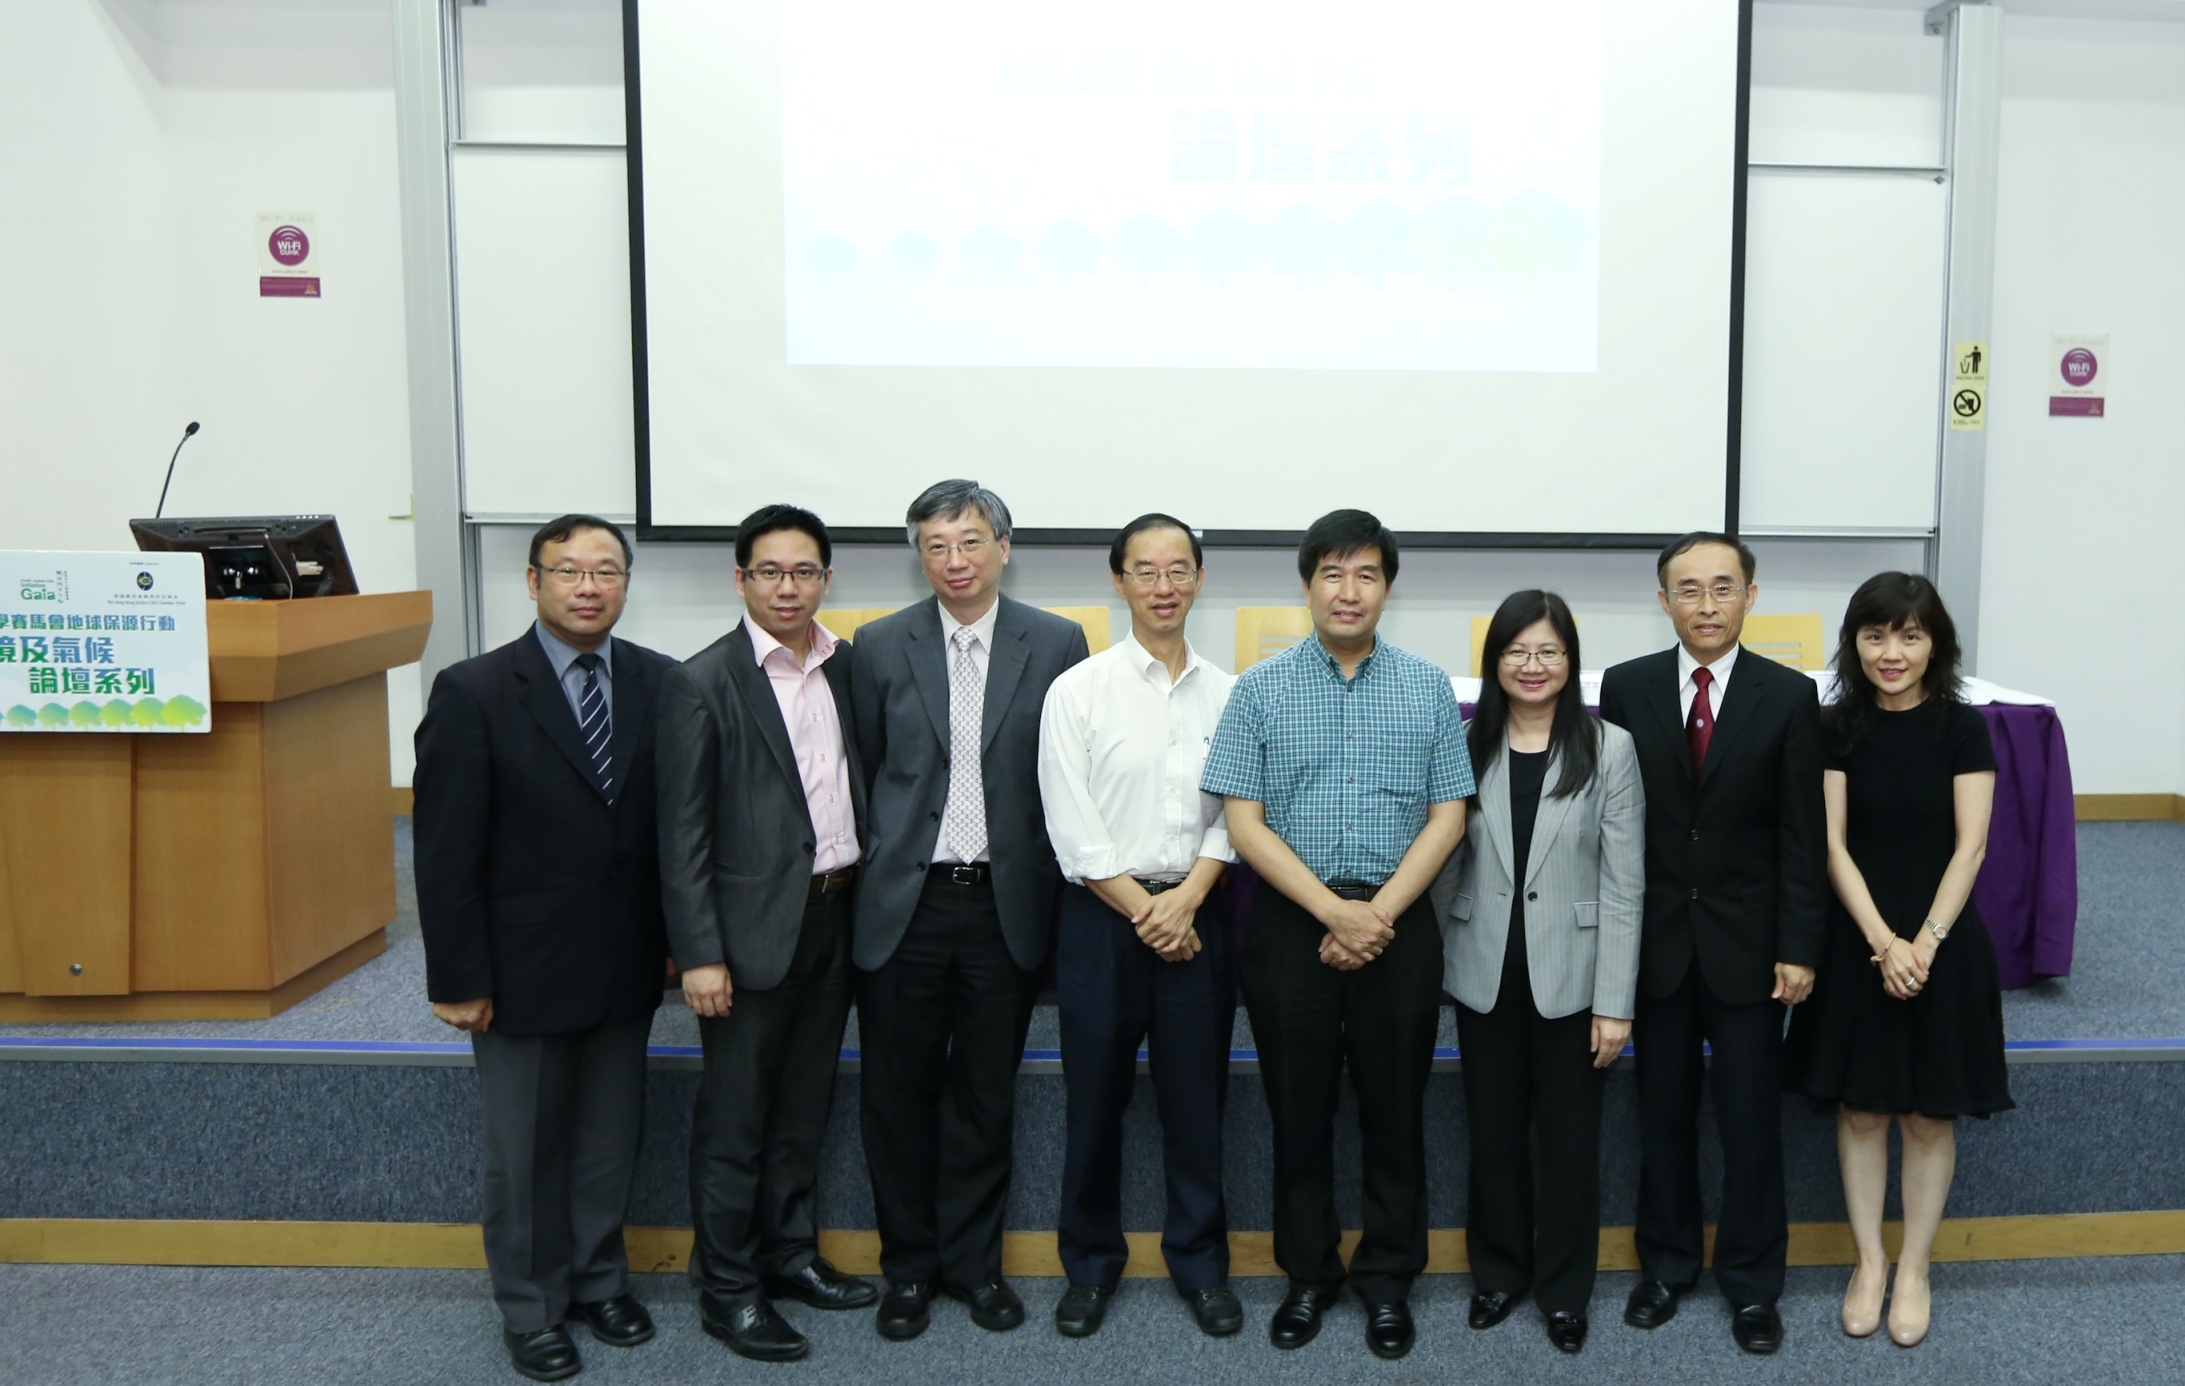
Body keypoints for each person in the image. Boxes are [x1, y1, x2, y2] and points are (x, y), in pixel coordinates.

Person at [1201, 509, 1473, 1361]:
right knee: (1299, 1112)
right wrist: (1332, 912)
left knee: (1395, 1112)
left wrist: (1377, 913)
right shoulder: (1259, 688)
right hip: (1292, 928)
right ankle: (1309, 1277)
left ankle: (1388, 1283)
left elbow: (1448, 816)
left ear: (1386, 587)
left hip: (1397, 924)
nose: (1346, 591)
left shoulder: (1427, 687)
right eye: (1331, 573)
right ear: (1307, 584)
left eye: (1364, 575)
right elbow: (1242, 822)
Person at [414, 514, 675, 1383]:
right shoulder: (475, 689)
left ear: (625, 585)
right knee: (523, 1149)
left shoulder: (659, 681)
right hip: (517, 968)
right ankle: (529, 1306)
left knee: (609, 1136)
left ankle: (600, 1281)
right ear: (532, 583)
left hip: (625, 959)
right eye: (568, 571)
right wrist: (456, 976)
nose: (588, 586)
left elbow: (669, 833)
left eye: (605, 571)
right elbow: (446, 850)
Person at [850, 479, 1090, 1341]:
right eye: (936, 547)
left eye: (970, 542)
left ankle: (974, 1268)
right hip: (905, 906)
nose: (954, 562)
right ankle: (908, 1271)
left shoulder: (1058, 642)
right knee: (897, 1096)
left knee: (986, 1097)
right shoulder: (876, 645)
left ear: (1003, 546)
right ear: (919, 555)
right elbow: (869, 770)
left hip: (1003, 905)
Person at [655, 504, 876, 1362]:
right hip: (744, 939)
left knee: (801, 1110)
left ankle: (789, 1258)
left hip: (834, 918)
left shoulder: (847, 668)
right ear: (740, 579)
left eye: (804, 572)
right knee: (737, 1123)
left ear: (826, 579)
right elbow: (681, 840)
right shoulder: (700, 682)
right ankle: (728, 1289)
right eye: (770, 572)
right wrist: (700, 954)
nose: (788, 587)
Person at [1597, 532, 1826, 1356]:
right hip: (1655, 943)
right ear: (1662, 602)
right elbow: (1613, 828)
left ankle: (1753, 1286)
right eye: (1686, 590)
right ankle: (1664, 1267)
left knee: (1749, 1124)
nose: (1704, 604)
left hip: (1750, 947)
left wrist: (1798, 946)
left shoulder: (1789, 695)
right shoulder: (1625, 689)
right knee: (1660, 1117)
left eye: (1721, 587)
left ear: (1750, 596)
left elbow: (1803, 836)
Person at [1788, 573, 2010, 1347]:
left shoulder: (1961, 728)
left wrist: (1923, 943)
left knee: (1925, 1115)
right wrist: (1883, 941)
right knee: (1861, 1108)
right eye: (1876, 635)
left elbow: (1970, 845)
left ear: (1934, 645)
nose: (1892, 652)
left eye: (1909, 636)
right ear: (1853, 641)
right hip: (1857, 942)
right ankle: (1869, 1262)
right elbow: (1830, 845)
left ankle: (1914, 1266)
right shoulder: (1833, 726)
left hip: (1941, 944)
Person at [1036, 514, 1243, 1341]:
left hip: (1197, 920)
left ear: (1198, 580)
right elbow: (1070, 824)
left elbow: (1239, 815)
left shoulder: (1231, 694)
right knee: (1094, 1104)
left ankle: (1199, 1266)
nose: (1164, 586)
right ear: (1117, 582)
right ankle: (1089, 1267)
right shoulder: (1077, 690)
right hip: (1101, 923)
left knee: (1198, 1106)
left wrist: (1185, 901)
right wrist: (1149, 912)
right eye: (1145, 571)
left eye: (1179, 570)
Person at [1431, 590, 1644, 1355]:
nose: (1531, 665)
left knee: (1567, 1143)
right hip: (1482, 970)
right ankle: (1497, 1275)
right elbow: (1440, 863)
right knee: (1491, 1136)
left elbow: (1625, 884)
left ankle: (1562, 1290)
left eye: (1548, 652)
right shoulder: (1462, 742)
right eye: (1516, 651)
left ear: (1569, 661)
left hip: (1573, 977)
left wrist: (1614, 1003)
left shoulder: (1608, 748)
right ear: (1493, 661)